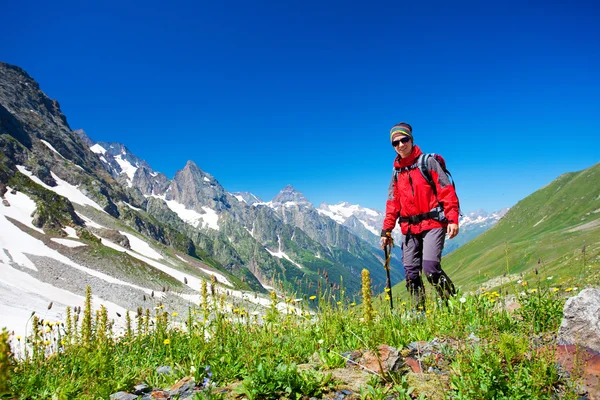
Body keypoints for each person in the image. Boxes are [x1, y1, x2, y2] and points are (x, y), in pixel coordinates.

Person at [380, 122, 459, 309]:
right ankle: (420, 312)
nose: (400, 145)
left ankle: (454, 304)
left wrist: (452, 218)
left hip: (432, 223)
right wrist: (386, 230)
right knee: (411, 273)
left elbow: (446, 190)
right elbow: (393, 203)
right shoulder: (396, 171)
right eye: (395, 143)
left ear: (411, 140)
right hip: (409, 228)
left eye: (404, 140)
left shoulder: (427, 162)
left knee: (431, 269)